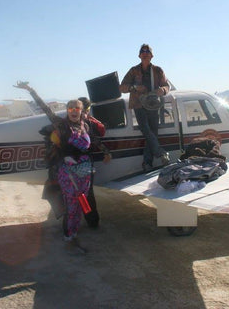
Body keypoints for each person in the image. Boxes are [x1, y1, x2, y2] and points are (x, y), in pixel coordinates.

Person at [15, 81, 111, 253]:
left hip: (85, 171)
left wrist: (106, 152)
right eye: (71, 108)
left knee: (82, 204)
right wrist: (31, 90)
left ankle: (74, 233)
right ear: (67, 111)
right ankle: (68, 236)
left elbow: (94, 141)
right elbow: (44, 107)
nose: (74, 111)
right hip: (68, 172)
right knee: (71, 205)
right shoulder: (61, 124)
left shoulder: (86, 125)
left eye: (77, 108)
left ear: (82, 111)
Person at [119, 44, 170, 171]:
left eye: (148, 51)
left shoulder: (158, 70)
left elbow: (166, 86)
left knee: (151, 133)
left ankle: (147, 164)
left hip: (154, 105)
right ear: (139, 55)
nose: (145, 53)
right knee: (146, 129)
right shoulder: (133, 70)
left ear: (152, 55)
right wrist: (135, 88)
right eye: (143, 51)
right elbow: (122, 87)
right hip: (139, 104)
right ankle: (161, 153)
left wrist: (162, 90)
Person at [78, 97, 105, 228]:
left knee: (81, 194)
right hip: (84, 163)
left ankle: (89, 219)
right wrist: (107, 152)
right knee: (86, 194)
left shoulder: (68, 122)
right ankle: (92, 221)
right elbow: (97, 137)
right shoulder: (88, 123)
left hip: (74, 164)